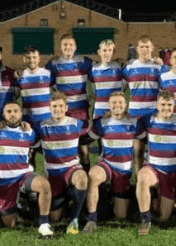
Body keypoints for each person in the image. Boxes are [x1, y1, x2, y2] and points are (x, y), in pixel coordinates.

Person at [0, 101, 54, 237]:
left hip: (23, 175)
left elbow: (36, 148)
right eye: (9, 111)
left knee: (44, 185)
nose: (13, 114)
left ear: (21, 113)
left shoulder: (28, 132)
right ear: (3, 114)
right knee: (9, 224)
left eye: (16, 111)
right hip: (4, 181)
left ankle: (44, 224)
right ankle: (21, 206)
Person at [136, 90, 176, 235]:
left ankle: (156, 198)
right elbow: (129, 123)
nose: (166, 108)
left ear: (174, 105)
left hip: (172, 173)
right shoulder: (148, 119)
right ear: (157, 105)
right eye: (163, 104)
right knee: (143, 178)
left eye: (169, 105)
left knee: (163, 217)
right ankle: (145, 219)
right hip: (152, 167)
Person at [83, 92, 145, 234]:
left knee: (121, 216)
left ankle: (108, 194)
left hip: (123, 171)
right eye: (114, 103)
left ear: (126, 105)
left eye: (120, 103)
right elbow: (85, 140)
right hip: (107, 165)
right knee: (93, 176)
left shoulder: (134, 123)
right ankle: (91, 219)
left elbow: (148, 140)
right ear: (109, 105)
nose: (117, 105)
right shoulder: (101, 122)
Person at [33, 92, 88, 234]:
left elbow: (96, 128)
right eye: (54, 106)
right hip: (52, 173)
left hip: (71, 168)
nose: (57, 109)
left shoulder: (77, 124)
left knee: (82, 179)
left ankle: (74, 220)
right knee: (55, 217)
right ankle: (69, 195)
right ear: (49, 108)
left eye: (60, 106)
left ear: (66, 107)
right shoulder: (41, 126)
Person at [45, 34, 93, 172]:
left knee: (83, 150)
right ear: (60, 47)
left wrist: (119, 61)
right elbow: (45, 82)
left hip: (81, 111)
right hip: (63, 112)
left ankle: (85, 177)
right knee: (65, 149)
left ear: (75, 46)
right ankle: (67, 179)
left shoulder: (85, 62)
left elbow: (101, 66)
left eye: (70, 44)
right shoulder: (53, 64)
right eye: (65, 45)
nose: (68, 47)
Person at [123, 36, 168, 118]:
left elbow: (166, 89)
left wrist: (163, 66)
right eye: (142, 47)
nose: (144, 50)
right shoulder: (129, 68)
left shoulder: (158, 67)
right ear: (137, 49)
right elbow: (121, 89)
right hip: (134, 111)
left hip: (153, 111)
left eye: (147, 47)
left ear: (152, 48)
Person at [89, 39, 125, 120]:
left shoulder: (119, 67)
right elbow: (93, 89)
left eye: (110, 50)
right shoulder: (93, 69)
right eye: (104, 50)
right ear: (99, 52)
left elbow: (125, 85)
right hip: (99, 110)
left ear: (113, 52)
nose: (107, 53)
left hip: (116, 109)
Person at [16, 46, 52, 125]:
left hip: (46, 119)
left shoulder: (48, 74)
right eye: (28, 57)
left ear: (39, 58)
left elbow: (59, 93)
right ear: (24, 59)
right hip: (27, 120)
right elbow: (14, 97)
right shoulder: (20, 76)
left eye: (34, 57)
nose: (32, 60)